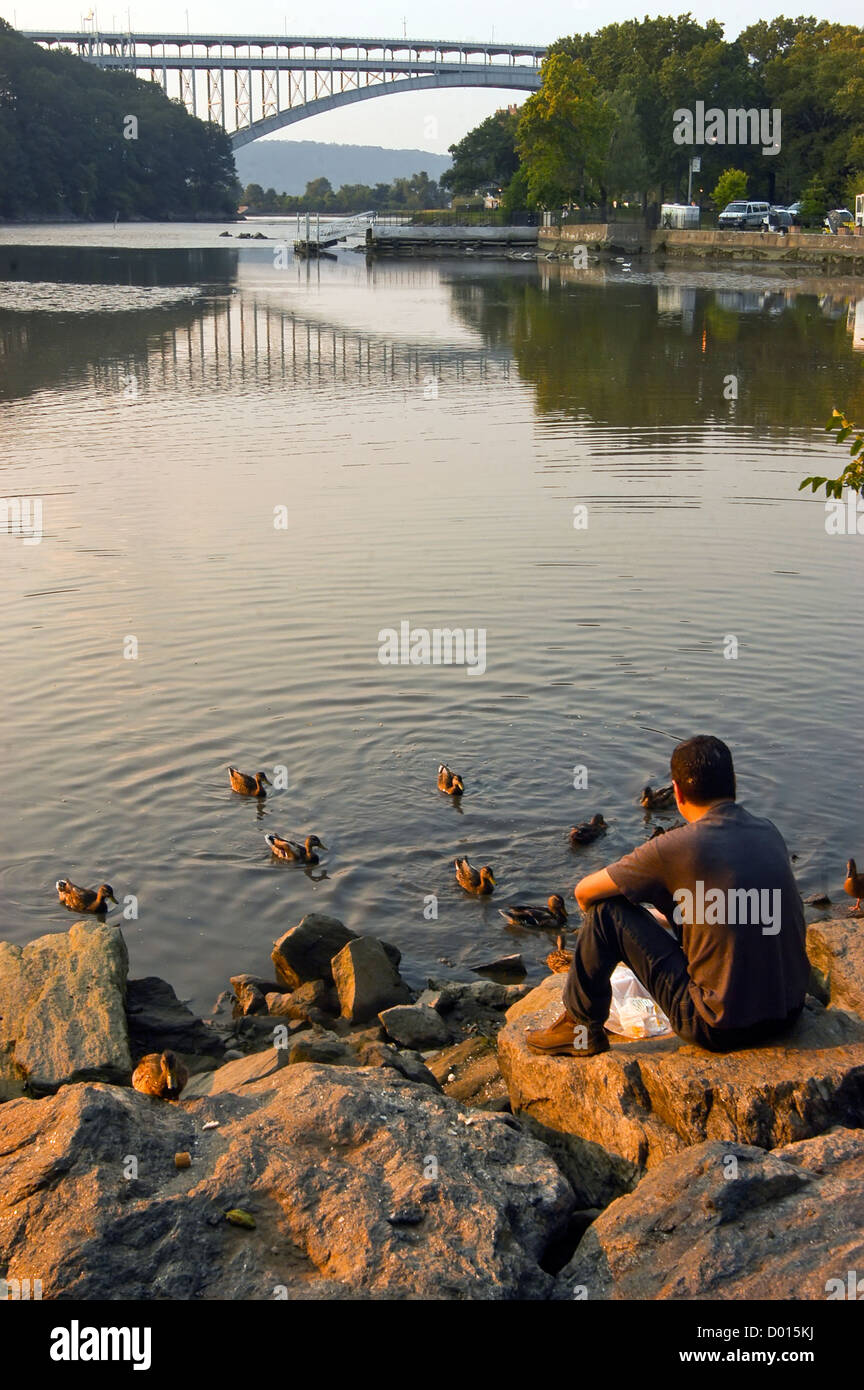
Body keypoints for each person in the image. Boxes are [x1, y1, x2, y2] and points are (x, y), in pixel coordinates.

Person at [527, 735, 809, 1058]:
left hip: (718, 1026)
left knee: (606, 912)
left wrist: (631, 926)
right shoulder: (768, 831)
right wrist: (666, 915)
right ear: (734, 783)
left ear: (676, 792)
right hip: (788, 1012)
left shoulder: (674, 847)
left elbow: (585, 892)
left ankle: (579, 1028)